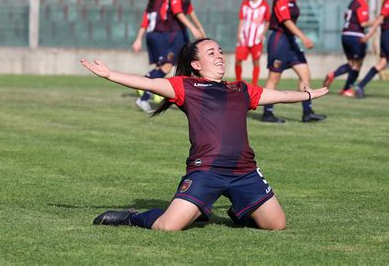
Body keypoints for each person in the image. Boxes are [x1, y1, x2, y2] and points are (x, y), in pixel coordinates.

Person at [80, 38, 328, 231]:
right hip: (206, 170)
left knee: (277, 225)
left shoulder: (240, 89)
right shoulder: (186, 86)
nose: (219, 55)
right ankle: (134, 217)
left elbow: (281, 96)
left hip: (244, 171)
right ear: (197, 65)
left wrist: (308, 95)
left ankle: (238, 211)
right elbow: (148, 83)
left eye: (220, 51)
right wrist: (111, 75)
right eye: (212, 53)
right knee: (168, 226)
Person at [261, 0, 326, 123]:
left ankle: (307, 112)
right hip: (280, 40)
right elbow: (285, 21)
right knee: (274, 77)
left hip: (290, 41)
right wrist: (303, 37)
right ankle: (267, 113)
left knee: (305, 74)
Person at [323, 0, 377, 97]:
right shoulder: (362, 3)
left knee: (352, 63)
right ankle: (346, 88)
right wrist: (376, 21)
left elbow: (346, 16)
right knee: (357, 65)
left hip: (345, 35)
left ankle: (334, 77)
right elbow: (363, 23)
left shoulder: (353, 2)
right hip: (356, 36)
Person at [132, 0, 174, 112]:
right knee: (167, 66)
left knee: (160, 67)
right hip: (159, 36)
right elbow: (165, 18)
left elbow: (145, 23)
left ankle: (145, 84)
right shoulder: (164, 1)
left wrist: (138, 39)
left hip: (150, 37)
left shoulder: (151, 2)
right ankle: (143, 96)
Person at [235, 0, 270, 85]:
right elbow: (241, 19)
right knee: (238, 60)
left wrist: (262, 34)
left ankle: (254, 84)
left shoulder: (264, 5)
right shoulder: (245, 4)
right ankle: (238, 82)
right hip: (244, 38)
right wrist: (239, 33)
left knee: (256, 61)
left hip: (257, 39)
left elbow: (268, 21)